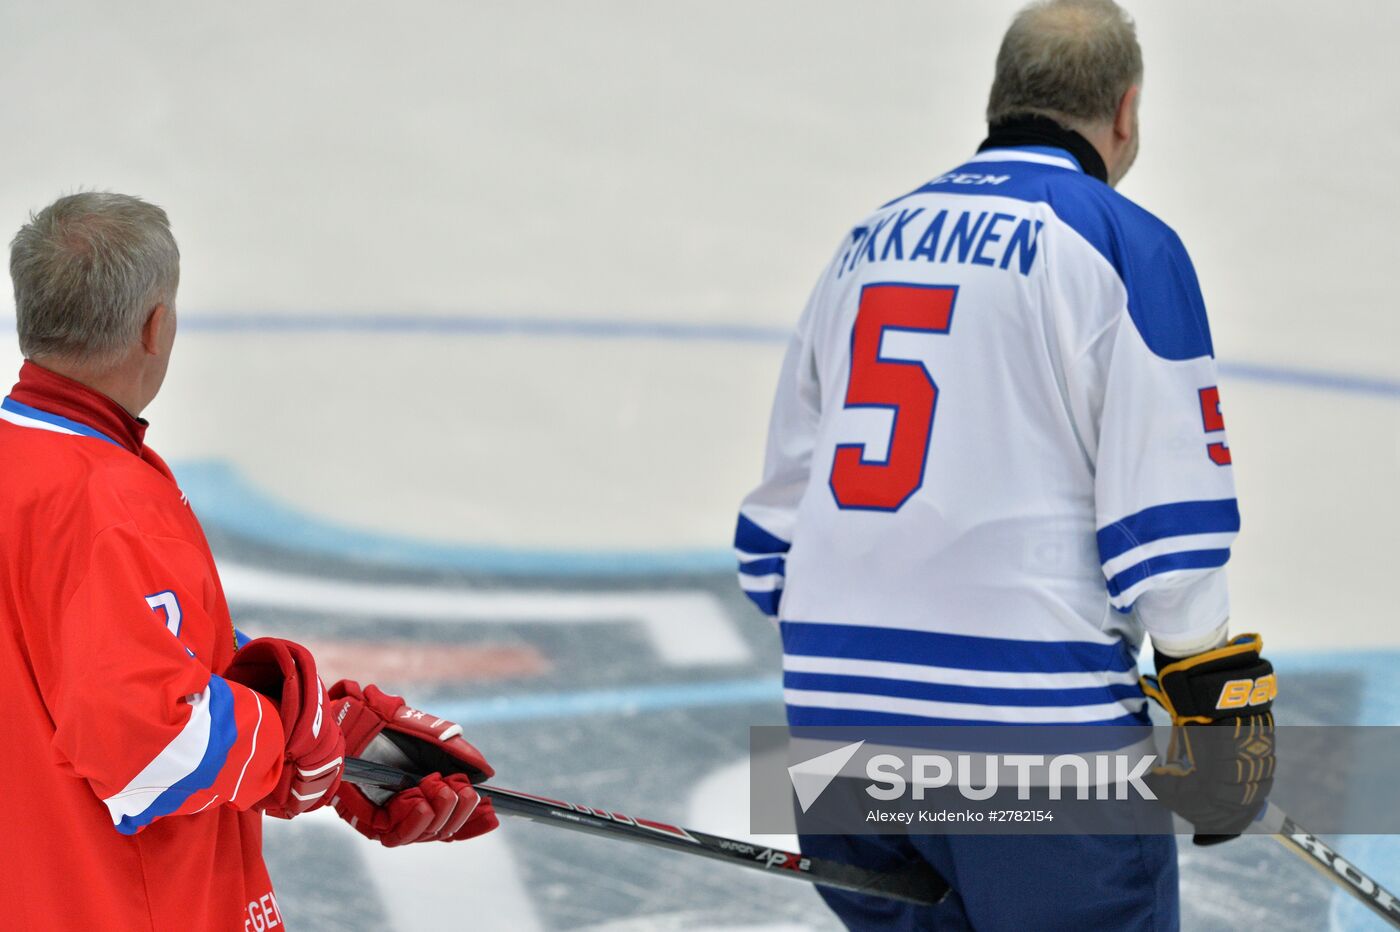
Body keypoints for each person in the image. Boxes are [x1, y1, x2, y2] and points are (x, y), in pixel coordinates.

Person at [734, 1, 1274, 928]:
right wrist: (1206, 686)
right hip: (1031, 739)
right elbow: (1168, 527)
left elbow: (771, 540)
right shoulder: (1122, 242)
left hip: (836, 733)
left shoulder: (864, 244)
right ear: (1125, 111)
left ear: (999, 98)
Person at [0, 192, 498, 931]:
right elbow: (149, 743)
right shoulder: (107, 503)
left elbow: (90, 655)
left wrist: (328, 726)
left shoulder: (29, 467)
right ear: (156, 326)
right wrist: (291, 741)